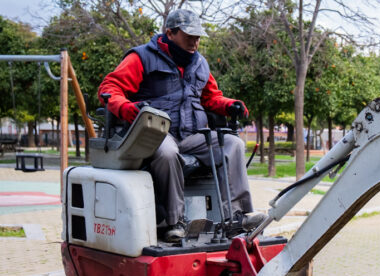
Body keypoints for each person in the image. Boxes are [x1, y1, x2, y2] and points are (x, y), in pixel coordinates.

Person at [98, 9, 265, 241]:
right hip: (156, 133)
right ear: (170, 33)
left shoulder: (200, 64)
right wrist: (126, 108)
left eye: (198, 37)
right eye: (189, 36)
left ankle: (237, 217)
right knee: (167, 152)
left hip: (191, 135)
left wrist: (230, 105)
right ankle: (174, 222)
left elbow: (210, 97)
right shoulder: (141, 57)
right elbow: (110, 88)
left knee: (233, 144)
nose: (195, 42)